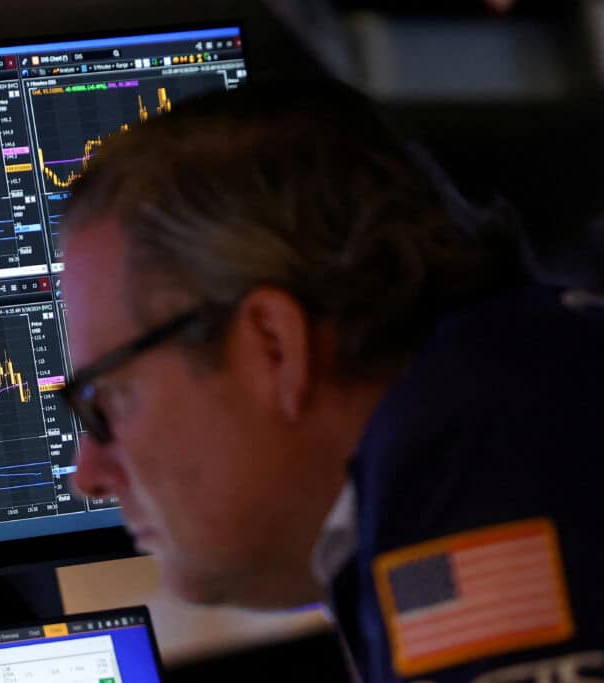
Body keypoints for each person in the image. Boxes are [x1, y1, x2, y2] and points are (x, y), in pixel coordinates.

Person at [57, 78, 604, 683]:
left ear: (273, 344)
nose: (89, 476)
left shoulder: (482, 475)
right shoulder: (502, 399)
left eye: (107, 401)